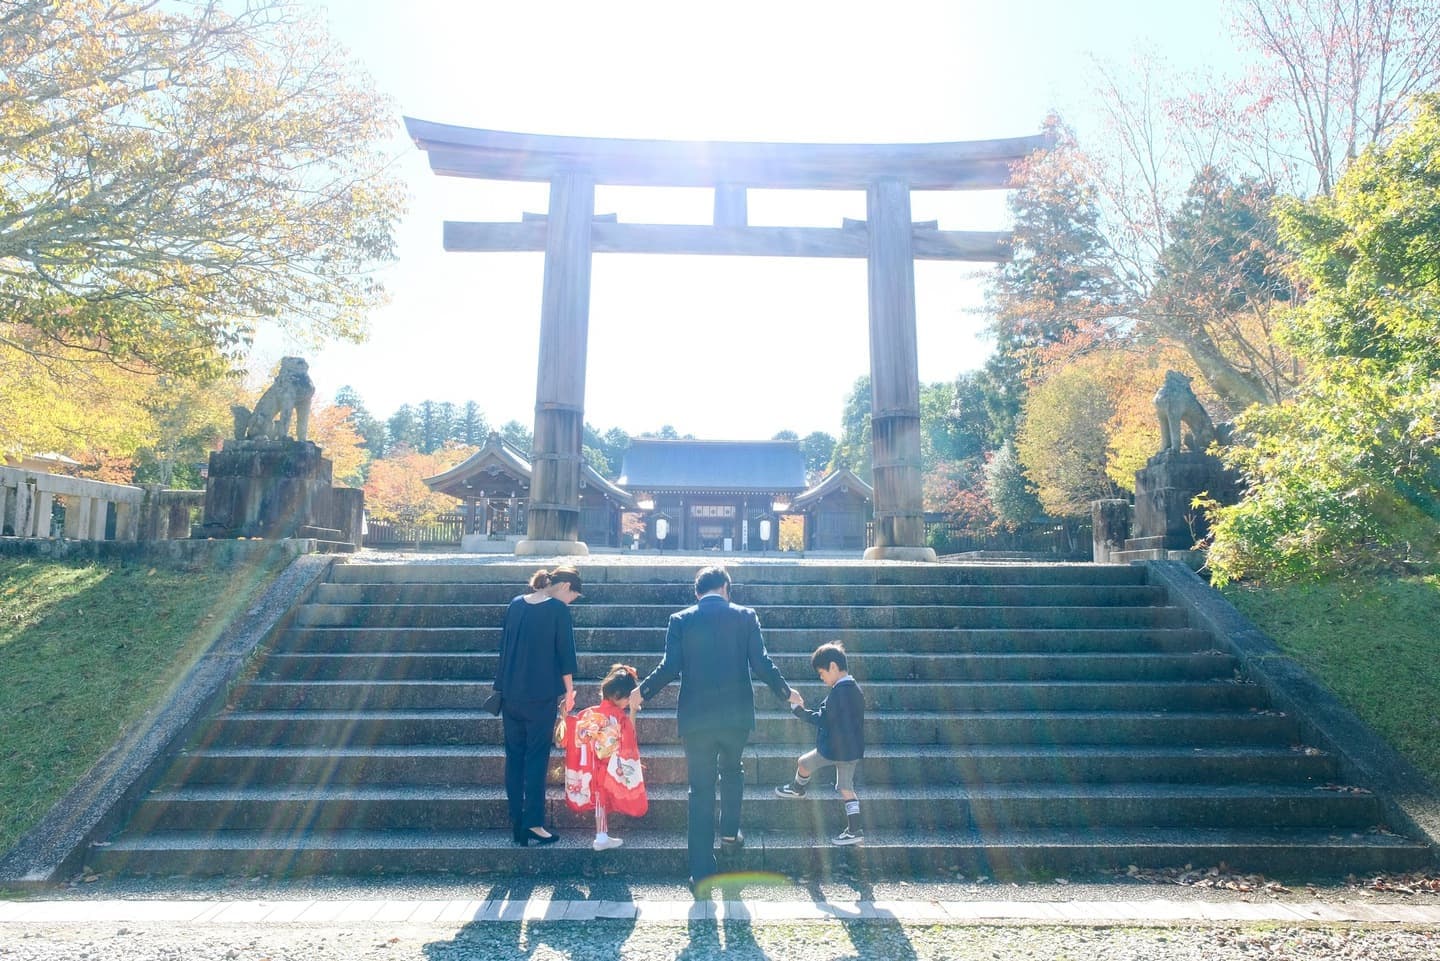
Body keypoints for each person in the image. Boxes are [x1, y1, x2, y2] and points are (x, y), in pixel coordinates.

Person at [631, 565, 800, 893]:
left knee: (700, 789)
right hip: (735, 716)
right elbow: (761, 661)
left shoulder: (681, 620)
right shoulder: (746, 616)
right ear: (726, 588)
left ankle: (701, 871)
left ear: (697, 592)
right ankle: (729, 829)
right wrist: (785, 691)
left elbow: (670, 667)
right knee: (733, 772)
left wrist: (643, 691)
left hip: (696, 718)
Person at [495, 565, 581, 846]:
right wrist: (569, 692)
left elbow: (505, 647)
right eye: (573, 596)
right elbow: (565, 655)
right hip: (540, 696)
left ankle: (516, 822)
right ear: (565, 587)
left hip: (510, 694)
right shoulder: (557, 610)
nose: (571, 602)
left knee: (514, 758)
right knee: (535, 760)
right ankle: (533, 823)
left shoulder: (516, 604)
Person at [775, 641, 866, 845]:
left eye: (822, 672)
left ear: (833, 666)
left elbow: (823, 719)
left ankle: (797, 788)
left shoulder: (838, 693)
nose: (821, 677)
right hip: (852, 750)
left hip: (833, 749)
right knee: (845, 787)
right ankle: (855, 830)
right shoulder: (855, 690)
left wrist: (799, 712)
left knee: (803, 763)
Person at [568, 664, 648, 851]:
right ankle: (601, 836)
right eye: (628, 698)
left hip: (592, 766)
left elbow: (577, 734)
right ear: (618, 696)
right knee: (603, 799)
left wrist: (566, 715)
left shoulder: (589, 713)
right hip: (610, 766)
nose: (629, 702)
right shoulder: (619, 716)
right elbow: (630, 736)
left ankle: (601, 834)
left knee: (600, 801)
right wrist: (634, 712)